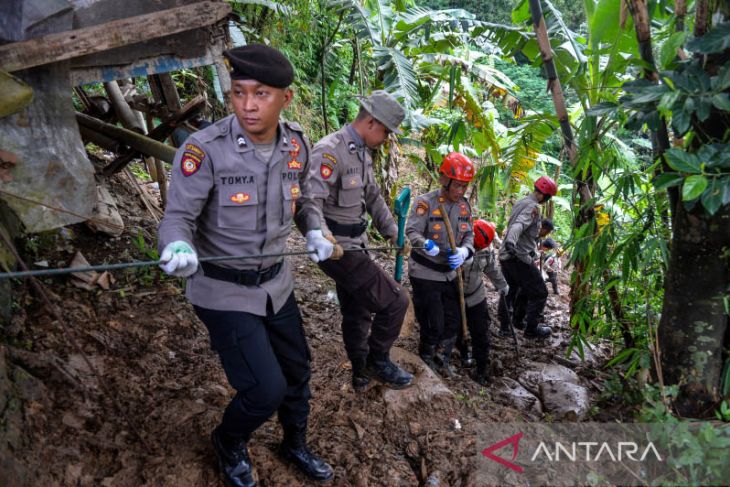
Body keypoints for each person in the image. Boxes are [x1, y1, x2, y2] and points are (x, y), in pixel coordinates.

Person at [157, 44, 333, 487]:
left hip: (277, 283)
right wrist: (177, 247)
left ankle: (294, 443)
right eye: (239, 93)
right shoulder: (205, 150)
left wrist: (315, 229)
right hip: (223, 289)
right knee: (264, 389)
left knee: (297, 371)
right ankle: (228, 442)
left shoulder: (296, 144)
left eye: (261, 94)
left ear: (285, 98)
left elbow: (305, 200)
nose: (248, 106)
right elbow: (178, 217)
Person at [296, 90, 413, 392]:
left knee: (358, 308)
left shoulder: (361, 151)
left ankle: (360, 370)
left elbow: (372, 197)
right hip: (338, 250)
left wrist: (393, 232)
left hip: (356, 243)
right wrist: (320, 235)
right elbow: (310, 200)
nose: (387, 138)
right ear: (372, 122)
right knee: (396, 300)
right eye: (386, 131)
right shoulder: (330, 150)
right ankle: (378, 359)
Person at [406, 152, 475, 377]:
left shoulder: (464, 207)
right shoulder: (425, 203)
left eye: (464, 186)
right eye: (457, 185)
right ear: (445, 181)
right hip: (425, 271)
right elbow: (412, 231)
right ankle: (426, 356)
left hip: (450, 273)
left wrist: (465, 251)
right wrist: (424, 243)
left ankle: (442, 357)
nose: (460, 191)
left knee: (453, 318)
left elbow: (469, 236)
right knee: (433, 320)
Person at [498, 176, 557, 339]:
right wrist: (511, 242)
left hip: (506, 255)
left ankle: (506, 326)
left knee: (510, 290)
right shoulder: (534, 207)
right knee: (540, 292)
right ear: (546, 196)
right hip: (518, 256)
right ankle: (531, 329)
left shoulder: (521, 201)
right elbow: (518, 225)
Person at [456, 219, 509, 384]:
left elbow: (491, 268)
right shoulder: (454, 244)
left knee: (481, 333)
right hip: (454, 297)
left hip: (476, 295)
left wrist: (502, 285)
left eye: (480, 248)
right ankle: (464, 354)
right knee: (457, 329)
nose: (477, 249)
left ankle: (481, 369)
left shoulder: (485, 250)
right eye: (476, 247)